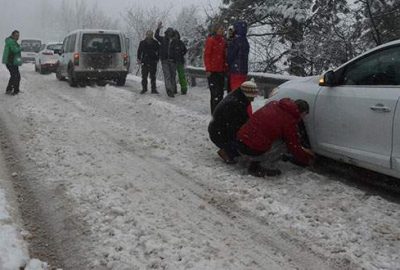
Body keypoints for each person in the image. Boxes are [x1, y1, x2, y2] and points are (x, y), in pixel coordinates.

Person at [236, 98, 315, 177]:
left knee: (266, 135)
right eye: (304, 115)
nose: (303, 118)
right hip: (252, 149)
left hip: (240, 140)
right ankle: (259, 166)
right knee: (284, 144)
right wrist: (307, 160)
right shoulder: (289, 120)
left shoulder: (274, 104)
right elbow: (293, 146)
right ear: (301, 112)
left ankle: (249, 158)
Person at [208, 79, 258, 163]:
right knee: (244, 144)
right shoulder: (235, 104)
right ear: (247, 94)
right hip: (219, 134)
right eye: (252, 96)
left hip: (217, 130)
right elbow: (233, 128)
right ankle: (227, 151)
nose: (253, 99)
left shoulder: (238, 98)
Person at [204, 24, 227, 114]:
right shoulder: (211, 40)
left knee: (220, 93)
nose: (222, 30)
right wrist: (208, 69)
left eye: (223, 29)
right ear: (216, 30)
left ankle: (219, 113)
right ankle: (214, 113)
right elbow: (207, 55)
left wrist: (225, 67)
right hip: (212, 72)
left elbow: (224, 56)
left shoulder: (223, 41)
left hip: (221, 71)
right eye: (220, 29)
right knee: (214, 93)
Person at [155, 22, 177, 97]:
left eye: (171, 32)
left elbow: (179, 50)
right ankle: (169, 90)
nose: (170, 34)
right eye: (168, 32)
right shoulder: (163, 39)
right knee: (167, 75)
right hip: (164, 61)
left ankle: (173, 89)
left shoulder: (175, 41)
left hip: (173, 61)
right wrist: (158, 28)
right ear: (167, 33)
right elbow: (156, 36)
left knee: (173, 75)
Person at [227, 21, 249, 91]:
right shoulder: (245, 41)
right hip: (243, 70)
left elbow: (230, 56)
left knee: (235, 91)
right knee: (242, 91)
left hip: (235, 70)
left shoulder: (235, 41)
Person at [137, 30, 160, 94]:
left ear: (152, 35)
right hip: (145, 61)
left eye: (150, 34)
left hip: (153, 61)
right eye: (148, 34)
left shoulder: (156, 43)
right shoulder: (142, 43)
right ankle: (144, 88)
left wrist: (157, 58)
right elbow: (139, 51)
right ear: (146, 35)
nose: (149, 35)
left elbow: (159, 51)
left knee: (153, 76)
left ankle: (153, 89)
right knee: (144, 76)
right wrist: (139, 59)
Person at [2, 30, 22, 95]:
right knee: (16, 76)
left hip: (12, 62)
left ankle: (9, 89)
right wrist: (21, 47)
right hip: (10, 62)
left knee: (14, 76)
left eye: (18, 36)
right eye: (16, 35)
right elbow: (14, 50)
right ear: (12, 35)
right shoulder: (11, 41)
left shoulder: (12, 41)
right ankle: (15, 91)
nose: (17, 37)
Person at [173, 30, 188, 95]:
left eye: (177, 35)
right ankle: (174, 89)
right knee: (173, 76)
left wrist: (181, 54)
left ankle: (184, 89)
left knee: (181, 75)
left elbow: (185, 50)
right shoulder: (172, 43)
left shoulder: (181, 42)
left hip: (180, 61)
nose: (176, 36)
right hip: (173, 62)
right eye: (175, 35)